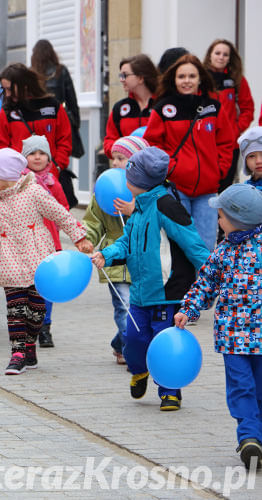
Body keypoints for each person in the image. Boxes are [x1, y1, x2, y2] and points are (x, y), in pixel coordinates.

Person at [92, 147, 211, 411]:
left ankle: (170, 391)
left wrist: (214, 276)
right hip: (140, 293)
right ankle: (139, 370)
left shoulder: (166, 206)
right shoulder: (139, 209)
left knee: (165, 342)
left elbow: (194, 245)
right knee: (133, 340)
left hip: (167, 293)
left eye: (129, 173)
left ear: (139, 180)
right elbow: (125, 243)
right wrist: (106, 254)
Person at [0, 148, 91, 375]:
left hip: (38, 259)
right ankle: (17, 353)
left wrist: (79, 237)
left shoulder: (34, 192)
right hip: (9, 261)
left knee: (36, 310)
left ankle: (29, 345)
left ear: (6, 175)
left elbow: (60, 214)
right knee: (15, 309)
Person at [174, 183, 262, 468]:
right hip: (233, 339)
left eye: (221, 217)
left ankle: (255, 436)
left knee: (253, 388)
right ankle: (249, 436)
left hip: (252, 338)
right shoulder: (222, 253)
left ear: (237, 219)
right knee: (241, 386)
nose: (218, 221)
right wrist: (188, 309)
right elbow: (205, 285)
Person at [143, 54, 234, 251]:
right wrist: (172, 169)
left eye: (191, 76)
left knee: (206, 248)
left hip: (207, 191)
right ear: (174, 80)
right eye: (181, 76)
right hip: (177, 189)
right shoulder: (162, 109)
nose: (187, 81)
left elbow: (226, 142)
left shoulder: (214, 108)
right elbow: (152, 145)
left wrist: (219, 170)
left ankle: (203, 283)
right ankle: (184, 284)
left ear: (200, 78)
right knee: (181, 249)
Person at [83, 136, 148, 364]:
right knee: (125, 307)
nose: (115, 163)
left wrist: (135, 209)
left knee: (140, 309)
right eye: (114, 158)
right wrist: (85, 238)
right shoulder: (105, 190)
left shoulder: (147, 194)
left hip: (143, 260)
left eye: (121, 158)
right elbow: (93, 222)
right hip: (114, 262)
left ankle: (119, 343)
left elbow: (158, 220)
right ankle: (133, 350)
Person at [0, 63, 74, 205]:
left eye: (10, 89)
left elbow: (64, 140)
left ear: (24, 85)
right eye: (4, 90)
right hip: (18, 183)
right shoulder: (7, 111)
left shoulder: (53, 106)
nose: (8, 94)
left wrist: (56, 167)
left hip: (50, 180)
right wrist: (11, 174)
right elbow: (0, 146)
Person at [21, 135, 69, 348]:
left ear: (48, 158)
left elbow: (64, 209)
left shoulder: (53, 184)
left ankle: (45, 328)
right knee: (26, 288)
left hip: (50, 244)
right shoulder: (19, 183)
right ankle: (26, 325)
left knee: (46, 288)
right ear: (25, 158)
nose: (37, 157)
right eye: (32, 153)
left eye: (42, 153)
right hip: (25, 244)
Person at [203, 39, 254, 193]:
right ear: (210, 56)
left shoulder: (236, 80)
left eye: (225, 55)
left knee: (226, 186)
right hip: (206, 141)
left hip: (230, 144)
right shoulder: (201, 80)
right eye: (217, 53)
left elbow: (248, 108)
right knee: (206, 184)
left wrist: (236, 130)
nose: (221, 57)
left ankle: (222, 217)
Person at [31, 39, 84, 159]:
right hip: (58, 118)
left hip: (37, 120)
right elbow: (72, 99)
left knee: (39, 155)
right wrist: (76, 123)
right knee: (60, 154)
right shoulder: (60, 70)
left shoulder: (31, 73)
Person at [103, 54, 158, 157]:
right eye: (121, 76)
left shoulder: (162, 105)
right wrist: (122, 150)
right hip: (127, 169)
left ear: (141, 78)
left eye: (125, 75)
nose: (121, 80)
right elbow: (109, 140)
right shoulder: (119, 108)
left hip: (156, 168)